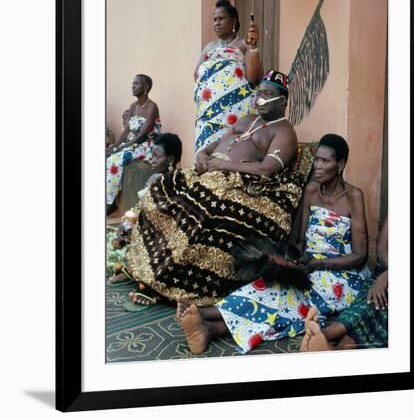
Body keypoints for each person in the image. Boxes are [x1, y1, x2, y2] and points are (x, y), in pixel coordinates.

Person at [127, 71, 316, 306]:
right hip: (208, 170)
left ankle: (170, 281)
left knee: (202, 206)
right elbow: (216, 143)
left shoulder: (284, 132)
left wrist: (223, 165)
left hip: (233, 180)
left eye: (268, 94)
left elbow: (267, 169)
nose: (261, 99)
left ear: (283, 101)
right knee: (160, 188)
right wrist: (202, 154)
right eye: (259, 93)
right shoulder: (247, 120)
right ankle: (149, 266)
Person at [175, 134, 370, 355]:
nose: (317, 166)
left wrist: (320, 264)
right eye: (316, 159)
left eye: (325, 161)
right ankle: (207, 325)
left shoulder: (354, 196)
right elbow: (298, 239)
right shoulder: (312, 190)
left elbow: (360, 255)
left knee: (286, 298)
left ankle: (205, 318)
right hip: (310, 265)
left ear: (341, 164)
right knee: (268, 285)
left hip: (341, 274)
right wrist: (290, 261)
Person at [300, 216, 388, 352]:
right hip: (385, 269)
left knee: (383, 308)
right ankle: (323, 338)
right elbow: (382, 248)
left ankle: (328, 341)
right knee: (370, 300)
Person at [107, 133, 183, 285]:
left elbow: (165, 216)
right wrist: (127, 223)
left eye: (157, 156)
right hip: (145, 228)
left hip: (163, 235)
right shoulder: (154, 177)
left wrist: (134, 228)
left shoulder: (174, 182)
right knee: (111, 243)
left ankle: (130, 270)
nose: (152, 160)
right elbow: (141, 206)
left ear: (170, 159)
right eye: (152, 155)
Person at [194, 0, 264, 152]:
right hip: (209, 114)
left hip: (235, 111)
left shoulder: (244, 44)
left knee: (229, 152)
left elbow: (254, 78)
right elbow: (197, 76)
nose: (216, 23)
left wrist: (253, 47)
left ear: (233, 21)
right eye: (214, 19)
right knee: (205, 156)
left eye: (221, 18)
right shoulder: (209, 48)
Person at [106, 74, 161, 214]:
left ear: (146, 87)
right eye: (133, 83)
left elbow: (142, 135)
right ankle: (107, 194)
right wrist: (115, 146)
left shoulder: (152, 107)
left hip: (145, 145)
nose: (133, 86)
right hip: (131, 143)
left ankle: (110, 202)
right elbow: (125, 132)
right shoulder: (133, 106)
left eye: (137, 84)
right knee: (108, 155)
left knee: (115, 159)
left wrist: (122, 148)